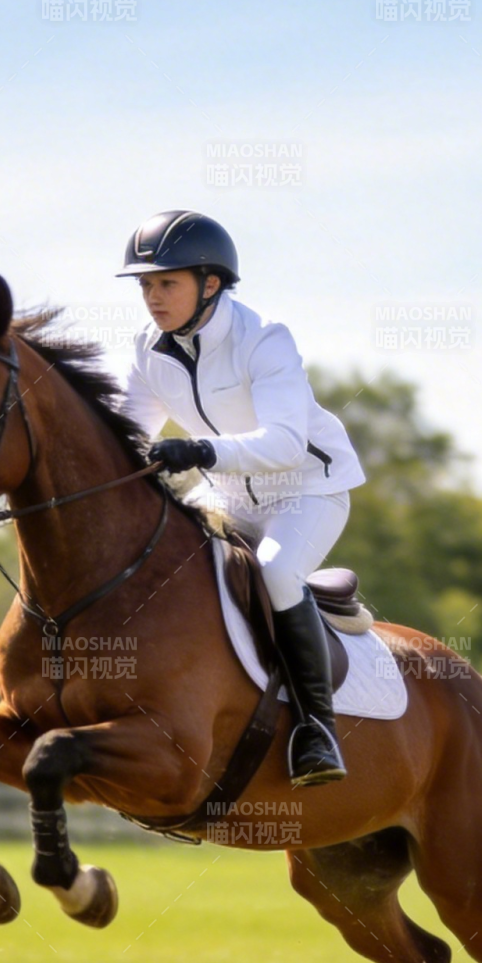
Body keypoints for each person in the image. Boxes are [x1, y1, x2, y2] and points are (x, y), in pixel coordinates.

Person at [117, 210, 366, 787]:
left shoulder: (264, 338)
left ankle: (317, 732)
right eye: (146, 285)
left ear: (211, 284)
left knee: (276, 572)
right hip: (227, 494)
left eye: (167, 283)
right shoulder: (146, 349)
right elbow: (129, 434)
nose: (153, 297)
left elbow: (283, 443)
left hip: (307, 489)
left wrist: (199, 451)